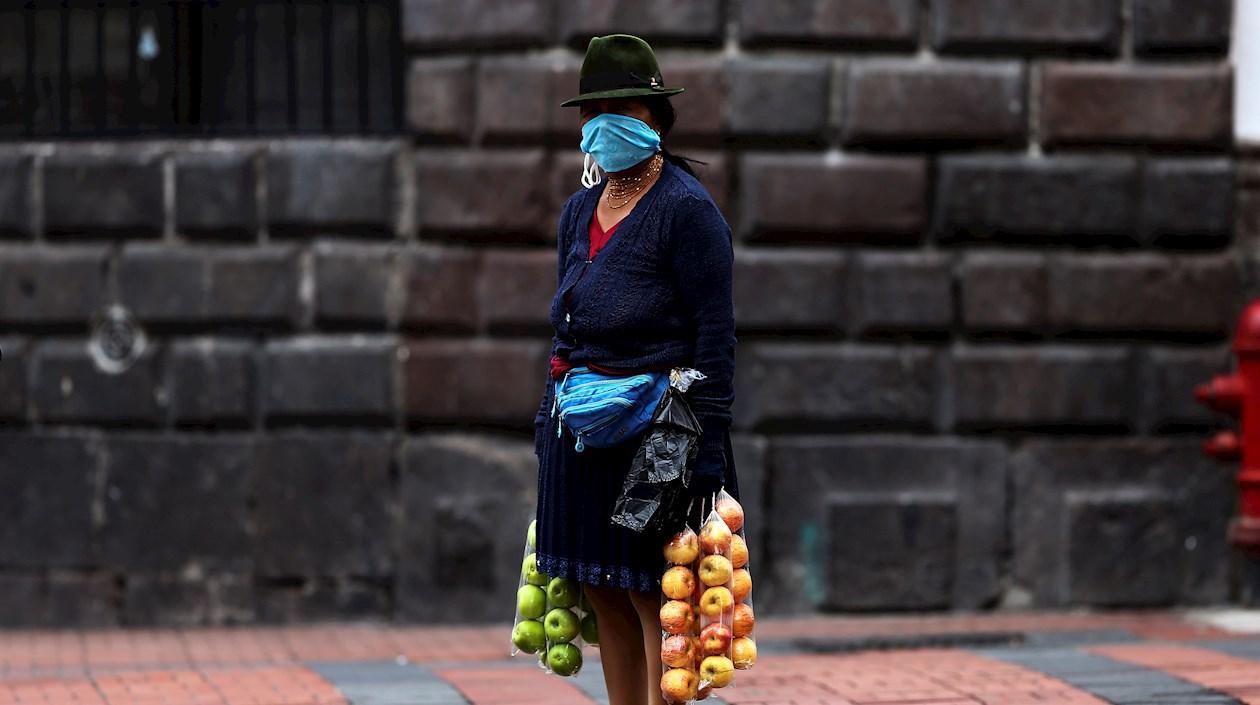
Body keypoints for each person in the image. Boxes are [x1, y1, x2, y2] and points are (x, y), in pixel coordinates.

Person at [532, 34, 740, 705]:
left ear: (655, 119)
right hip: (583, 434)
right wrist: (549, 415)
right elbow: (567, 325)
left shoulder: (687, 212)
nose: (607, 124)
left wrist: (707, 453)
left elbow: (716, 337)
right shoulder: (577, 212)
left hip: (659, 435)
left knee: (658, 596)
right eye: (594, 111)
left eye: (625, 108)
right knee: (602, 589)